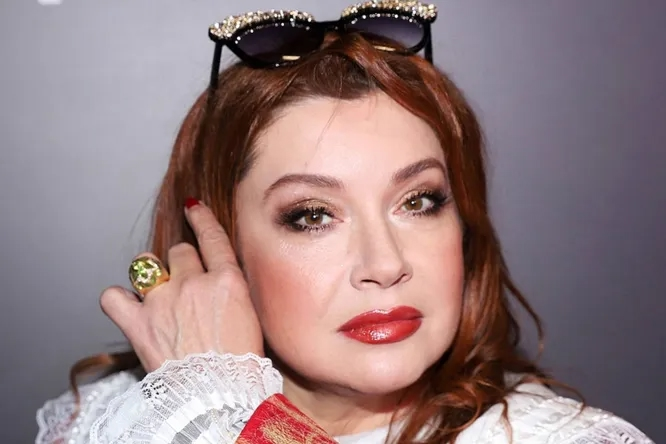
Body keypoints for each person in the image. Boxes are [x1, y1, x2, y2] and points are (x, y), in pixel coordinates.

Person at [36, 2, 654, 443]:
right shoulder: (105, 424)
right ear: (219, 246)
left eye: (419, 201)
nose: (385, 264)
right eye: (312, 215)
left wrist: (221, 418)